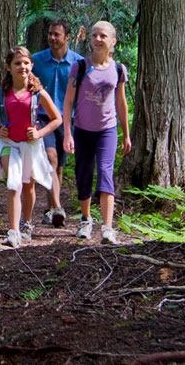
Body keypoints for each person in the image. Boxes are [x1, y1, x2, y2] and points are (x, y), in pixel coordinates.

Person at [0, 46, 62, 247]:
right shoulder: (1, 93)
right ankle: (13, 231)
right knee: (14, 182)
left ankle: (26, 223)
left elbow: (56, 119)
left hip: (31, 146)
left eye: (26, 63)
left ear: (32, 66)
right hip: (9, 145)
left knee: (28, 185)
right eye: (17, 63)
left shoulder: (38, 93)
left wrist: (39, 133)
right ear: (8, 67)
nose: (22, 67)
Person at [63, 20, 131, 244]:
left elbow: (121, 103)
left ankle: (108, 227)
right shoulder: (80, 67)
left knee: (105, 172)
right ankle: (85, 219)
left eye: (103, 36)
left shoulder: (118, 70)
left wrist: (126, 134)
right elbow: (69, 101)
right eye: (94, 36)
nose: (98, 39)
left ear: (112, 41)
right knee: (83, 173)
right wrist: (67, 133)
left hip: (107, 131)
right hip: (82, 129)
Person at [29, 19, 85, 228]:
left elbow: (84, 93)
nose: (52, 38)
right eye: (50, 34)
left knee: (59, 166)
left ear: (67, 37)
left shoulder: (78, 63)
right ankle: (58, 207)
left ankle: (50, 209)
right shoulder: (36, 60)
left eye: (57, 35)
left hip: (67, 120)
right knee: (50, 157)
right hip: (43, 118)